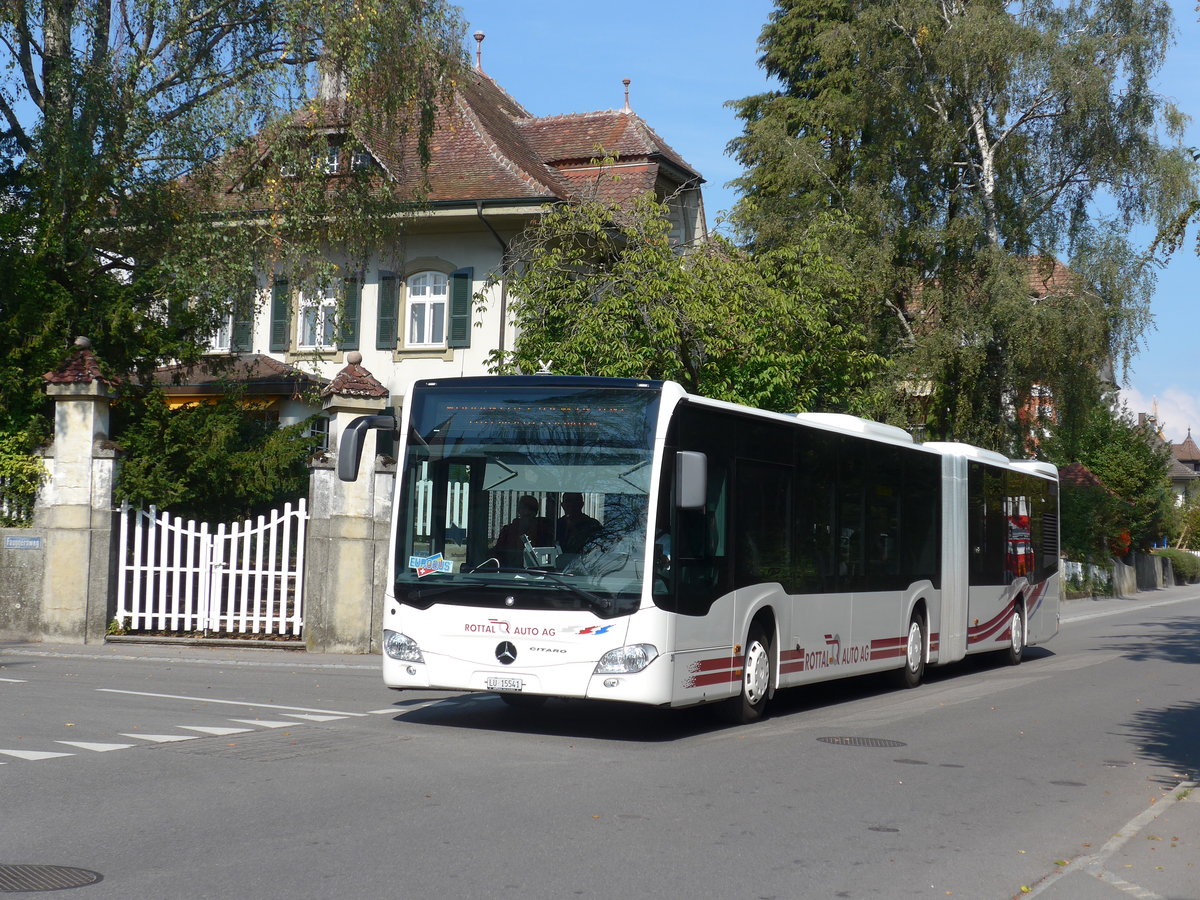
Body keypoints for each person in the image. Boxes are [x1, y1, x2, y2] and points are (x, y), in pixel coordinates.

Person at [491, 495, 554, 566]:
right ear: (519, 511)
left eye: (531, 509)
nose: (526, 512)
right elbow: (498, 553)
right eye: (523, 508)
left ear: (535, 512)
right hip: (508, 571)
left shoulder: (543, 531)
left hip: (536, 571)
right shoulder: (507, 531)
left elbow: (547, 555)